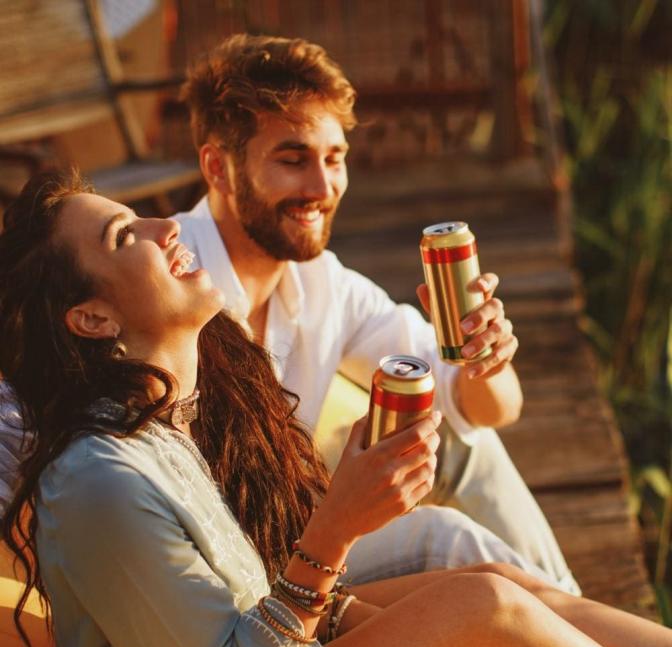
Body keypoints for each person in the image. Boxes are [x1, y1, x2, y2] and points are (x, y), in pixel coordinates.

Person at [2, 170, 672, 647]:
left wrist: (356, 604)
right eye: (127, 236)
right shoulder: (100, 477)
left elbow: (248, 583)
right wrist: (338, 527)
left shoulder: (168, 421)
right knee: (488, 611)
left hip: (290, 643)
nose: (164, 226)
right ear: (93, 320)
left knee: (497, 587)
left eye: (336, 155)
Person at [175, 33, 578, 591]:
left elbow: (489, 411)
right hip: (228, 571)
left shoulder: (323, 284)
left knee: (459, 444)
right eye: (292, 160)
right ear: (217, 168)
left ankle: (579, 620)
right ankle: (586, 634)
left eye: (334, 159)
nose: (322, 187)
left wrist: (484, 360)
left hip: (301, 530)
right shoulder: (166, 276)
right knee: (444, 539)